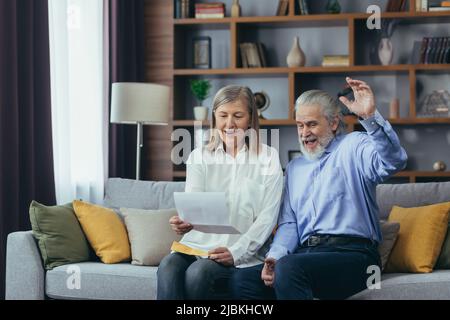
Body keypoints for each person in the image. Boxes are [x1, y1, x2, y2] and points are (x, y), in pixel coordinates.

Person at [232, 77, 408, 300]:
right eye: (300, 125)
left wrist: (370, 118)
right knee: (242, 281)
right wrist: (275, 257)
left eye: (312, 124)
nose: (304, 132)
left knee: (290, 269)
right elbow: (290, 224)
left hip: (357, 257)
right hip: (307, 255)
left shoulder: (354, 146)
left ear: (333, 123)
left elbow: (393, 161)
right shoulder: (295, 168)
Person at [157, 85, 283, 300]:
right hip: (196, 245)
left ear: (251, 118)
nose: (229, 124)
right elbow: (194, 207)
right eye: (223, 115)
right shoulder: (199, 156)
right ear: (214, 117)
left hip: (239, 251)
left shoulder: (268, 158)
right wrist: (185, 222)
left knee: (200, 273)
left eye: (238, 116)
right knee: (168, 266)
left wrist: (237, 253)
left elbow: (267, 219)